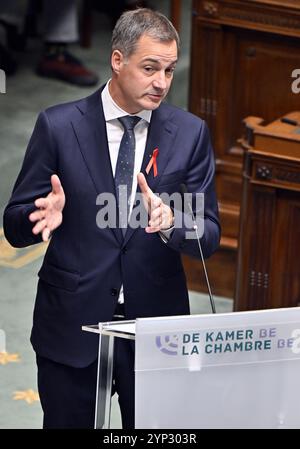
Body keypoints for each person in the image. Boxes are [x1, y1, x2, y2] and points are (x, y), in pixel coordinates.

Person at [3, 8, 220, 429]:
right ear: (117, 60)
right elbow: (14, 226)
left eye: (170, 70)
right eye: (150, 68)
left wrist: (172, 221)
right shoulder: (58, 126)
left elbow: (208, 234)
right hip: (73, 324)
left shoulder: (190, 133)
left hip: (156, 331)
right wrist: (39, 215)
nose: (162, 83)